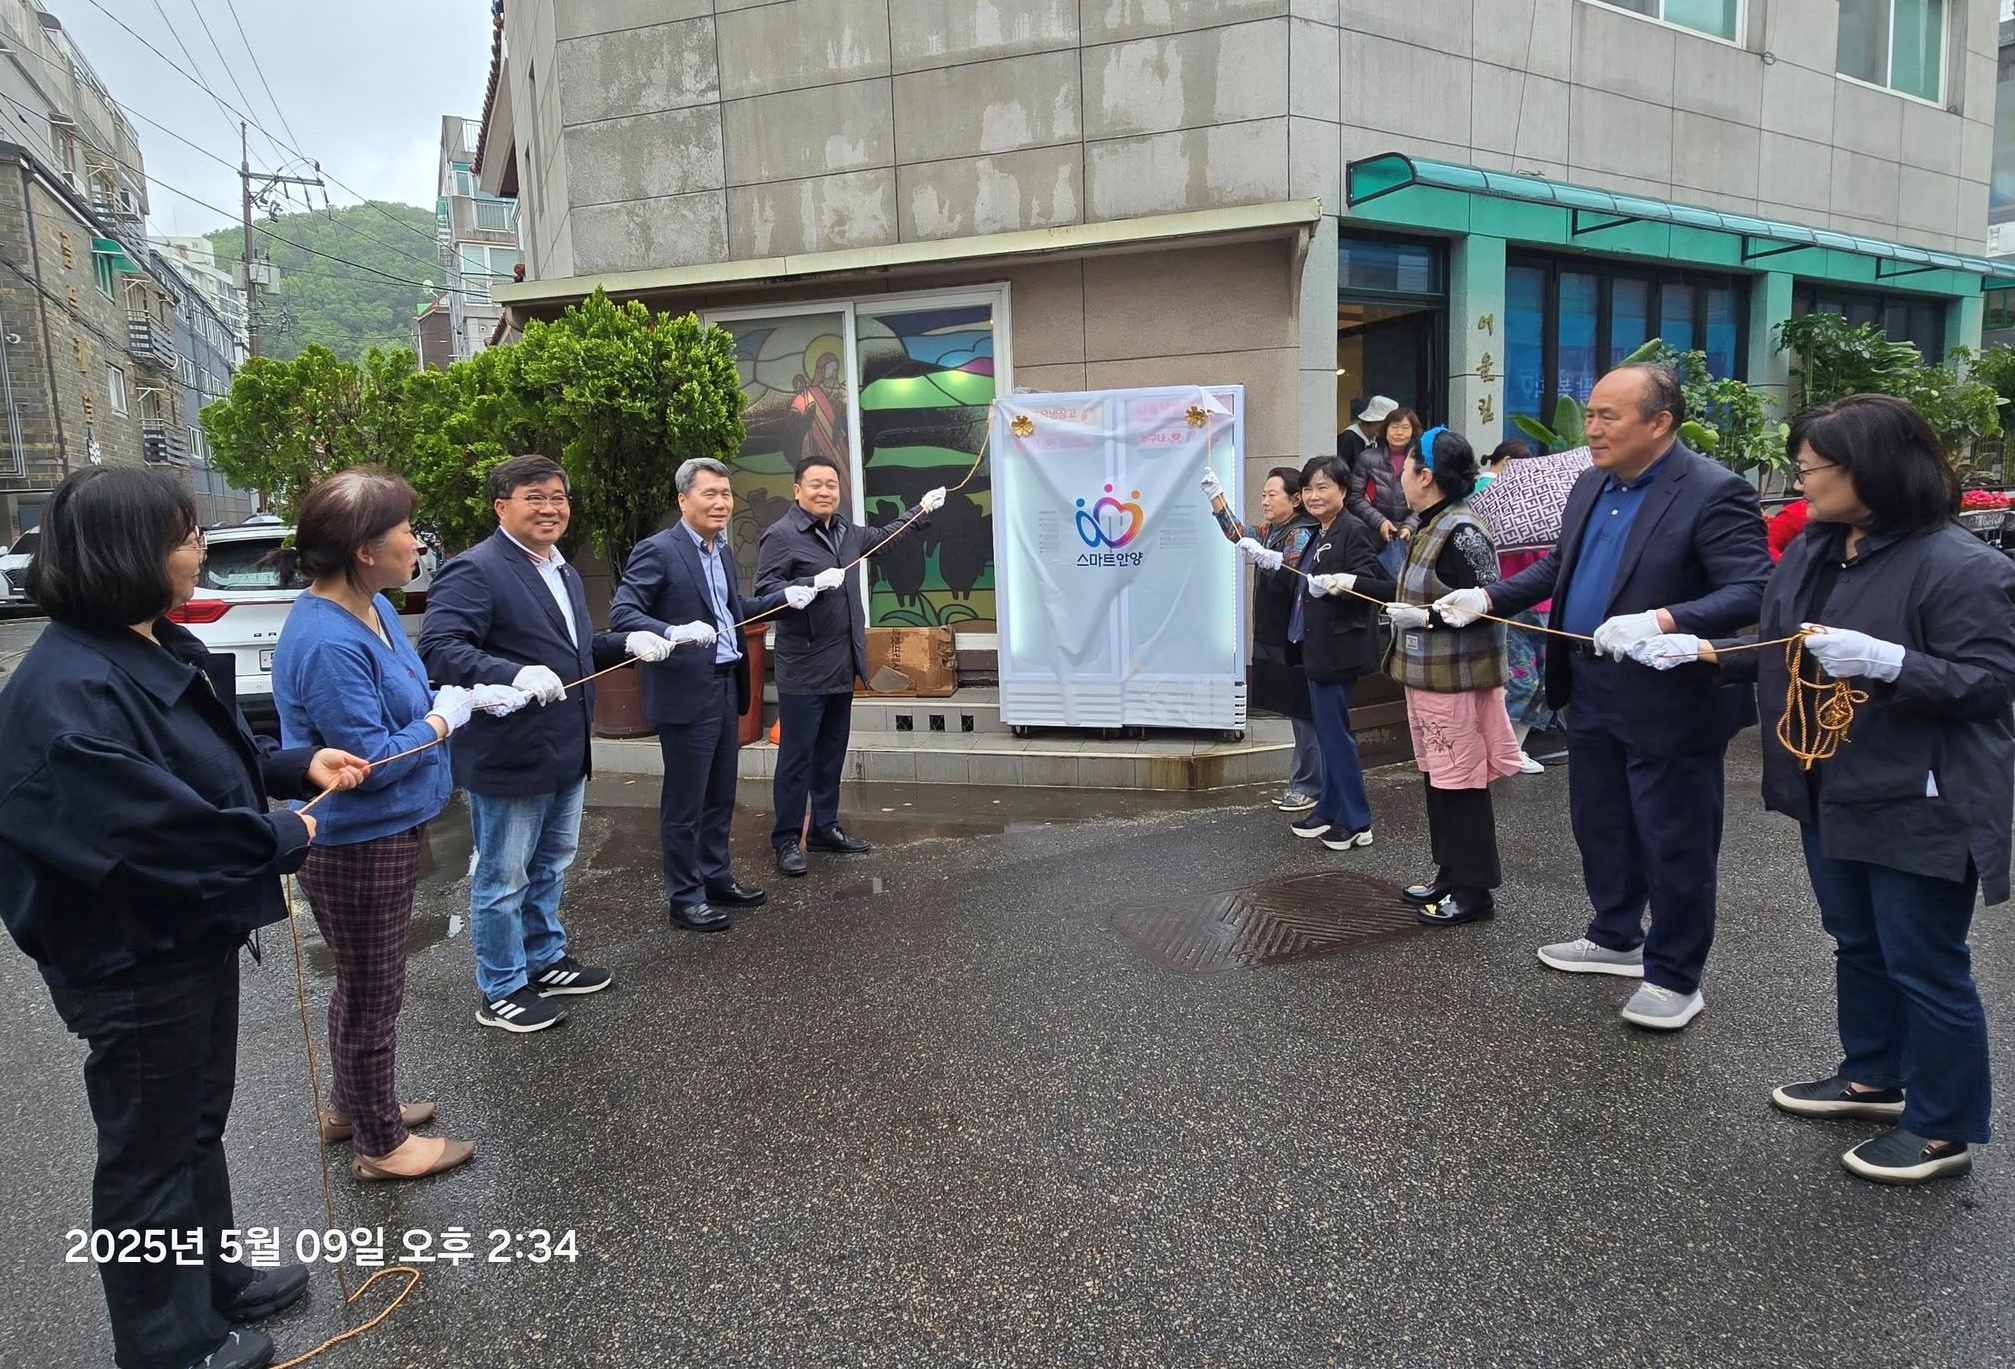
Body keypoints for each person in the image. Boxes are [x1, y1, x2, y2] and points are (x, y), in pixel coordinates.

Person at [0, 467, 369, 1369]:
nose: (199, 547)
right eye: (184, 534)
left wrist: (289, 766)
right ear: (127, 551)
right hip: (130, 955)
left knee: (195, 1124)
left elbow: (203, 757)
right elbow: (152, 832)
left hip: (189, 935)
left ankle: (211, 1279)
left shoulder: (151, 642)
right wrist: (281, 833)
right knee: (148, 1154)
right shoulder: (65, 693)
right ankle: (166, 1341)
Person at [1630, 394, 2015, 1184]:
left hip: (1919, 794)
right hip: (1828, 778)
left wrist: (1889, 662)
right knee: (1856, 938)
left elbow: (1988, 681)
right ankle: (1872, 1074)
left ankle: (1941, 1126)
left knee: (1924, 960)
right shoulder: (1815, 546)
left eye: (1816, 465)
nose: (1800, 477)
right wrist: (1701, 651)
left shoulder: (1962, 566)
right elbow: (1782, 644)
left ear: (1875, 469)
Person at [1435, 364, 1771, 1032]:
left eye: (1607, 416)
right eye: (1589, 413)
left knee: (1673, 836)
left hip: (1668, 695)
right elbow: (1559, 566)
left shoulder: (1712, 491)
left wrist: (1662, 620)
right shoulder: (1589, 483)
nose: (1591, 428)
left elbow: (1754, 588)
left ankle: (1675, 976)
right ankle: (1615, 935)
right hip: (1590, 683)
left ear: (1660, 422)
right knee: (1601, 822)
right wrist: (1487, 597)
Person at [271, 469, 501, 1180]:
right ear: (364, 550)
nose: (417, 543)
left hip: (388, 830)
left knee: (364, 984)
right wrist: (441, 721)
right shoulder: (328, 641)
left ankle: (354, 1104)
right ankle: (380, 1144)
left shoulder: (371, 607)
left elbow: (406, 696)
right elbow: (368, 760)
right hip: (358, 841)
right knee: (374, 991)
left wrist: (453, 700)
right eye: (405, 531)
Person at [420, 454, 669, 1034]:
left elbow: (573, 652)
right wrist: (512, 673)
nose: (550, 508)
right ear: (501, 506)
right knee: (503, 877)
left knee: (552, 863)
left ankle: (544, 957)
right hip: (510, 750)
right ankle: (502, 986)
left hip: (565, 746)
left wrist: (627, 641)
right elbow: (439, 648)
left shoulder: (564, 571)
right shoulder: (475, 569)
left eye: (558, 497)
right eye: (535, 497)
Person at [610, 457, 817, 931]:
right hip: (686, 690)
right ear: (683, 499)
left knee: (721, 793)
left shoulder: (719, 551)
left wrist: (785, 598)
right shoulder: (658, 550)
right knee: (686, 801)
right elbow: (623, 612)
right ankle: (684, 897)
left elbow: (733, 610)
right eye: (710, 494)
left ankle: (716, 877)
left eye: (726, 494)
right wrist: (671, 631)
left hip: (726, 683)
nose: (721, 502)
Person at [754, 454, 945, 878]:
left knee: (830, 755)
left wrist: (920, 510)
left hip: (842, 663)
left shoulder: (845, 531)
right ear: (797, 490)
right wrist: (808, 584)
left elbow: (884, 538)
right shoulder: (781, 536)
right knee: (796, 759)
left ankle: (825, 827)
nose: (824, 492)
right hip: (803, 668)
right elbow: (764, 595)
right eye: (815, 484)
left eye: (831, 485)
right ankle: (786, 839)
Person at [1381, 428, 1524, 926]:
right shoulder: (1430, 521)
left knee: (1460, 782)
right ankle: (1449, 872)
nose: (1401, 475)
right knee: (1439, 779)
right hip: (1429, 679)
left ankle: (1474, 890)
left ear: (1426, 476)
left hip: (1458, 681)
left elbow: (1489, 606)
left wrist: (1426, 619)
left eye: (1406, 467)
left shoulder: (1462, 530)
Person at [1253, 454, 1395, 851]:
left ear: (1343, 491)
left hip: (1339, 651)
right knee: (1328, 735)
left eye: (1323, 488)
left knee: (1335, 737)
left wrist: (1347, 583)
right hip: (1314, 648)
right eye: (1309, 489)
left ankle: (1357, 820)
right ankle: (1330, 808)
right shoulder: (1321, 530)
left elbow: (1384, 586)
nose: (1314, 496)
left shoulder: (1353, 530)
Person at [1469, 438, 1596, 772]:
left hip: (1549, 608)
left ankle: (1514, 749)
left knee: (1544, 682)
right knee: (1521, 681)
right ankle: (1500, 750)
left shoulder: (1555, 507)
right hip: (1515, 607)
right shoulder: (1491, 497)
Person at [1206, 465, 1322, 811]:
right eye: (1263, 495)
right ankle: (1306, 782)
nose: (1265, 501)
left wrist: (1273, 560)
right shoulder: (1272, 530)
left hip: (1298, 637)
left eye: (1272, 494)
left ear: (1296, 499)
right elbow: (1238, 532)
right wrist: (1216, 497)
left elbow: (1292, 568)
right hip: (1278, 633)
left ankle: (1308, 785)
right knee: (1297, 711)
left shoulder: (1300, 532)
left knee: (1304, 713)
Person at [1349, 406, 1422, 577]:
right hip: (1373, 534)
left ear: (1413, 431)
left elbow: (1428, 499)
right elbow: (1355, 497)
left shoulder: (1420, 460)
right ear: (1385, 429)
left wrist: (1409, 526)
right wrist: (1380, 522)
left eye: (1405, 428)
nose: (1399, 433)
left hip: (1412, 536)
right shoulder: (1367, 458)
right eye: (1394, 427)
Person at [1337, 394, 1397, 468]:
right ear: (1373, 421)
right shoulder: (1348, 438)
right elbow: (1339, 469)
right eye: (1383, 423)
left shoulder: (1378, 439)